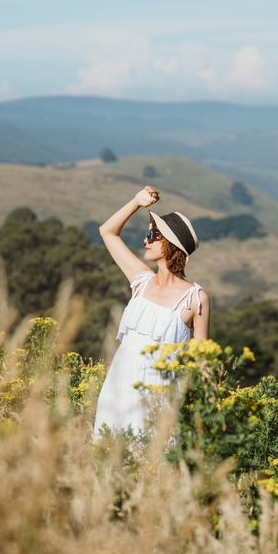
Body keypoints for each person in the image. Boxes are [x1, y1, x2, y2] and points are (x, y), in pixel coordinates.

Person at [92, 185, 210, 438]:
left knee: (151, 469)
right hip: (117, 390)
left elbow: (203, 361)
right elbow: (108, 232)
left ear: (170, 245)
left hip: (159, 401)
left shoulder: (195, 298)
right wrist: (136, 201)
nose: (146, 240)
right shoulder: (141, 281)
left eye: (153, 235)